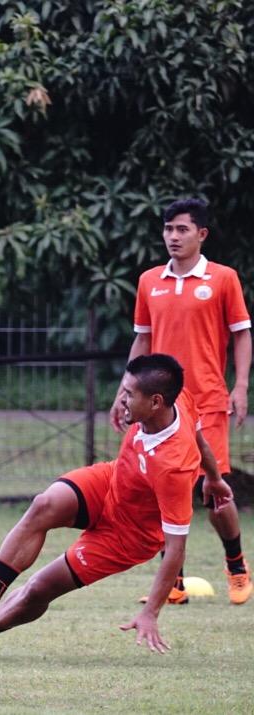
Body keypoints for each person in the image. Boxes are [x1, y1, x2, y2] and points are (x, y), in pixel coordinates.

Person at [0, 354, 233, 657]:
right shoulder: (179, 399)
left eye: (128, 394)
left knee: (38, 589)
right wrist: (215, 478)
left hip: (128, 536)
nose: (121, 400)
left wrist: (151, 612)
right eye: (122, 390)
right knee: (44, 504)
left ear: (155, 403)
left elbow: (176, 549)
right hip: (112, 481)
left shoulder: (172, 469)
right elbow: (199, 438)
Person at [109, 197, 251, 606]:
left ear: (201, 234)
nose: (173, 236)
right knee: (160, 489)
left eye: (182, 229)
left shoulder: (223, 279)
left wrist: (240, 386)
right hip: (159, 407)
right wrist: (124, 391)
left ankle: (237, 565)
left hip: (207, 399)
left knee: (214, 489)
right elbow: (142, 338)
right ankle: (175, 581)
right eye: (168, 229)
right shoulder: (148, 280)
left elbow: (241, 333)